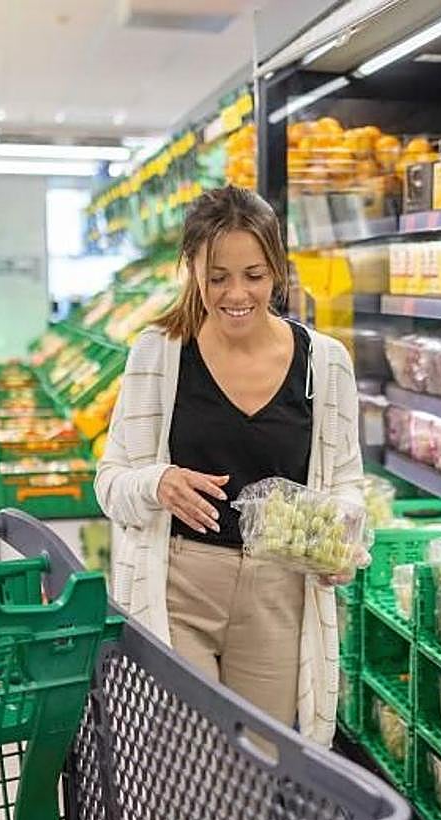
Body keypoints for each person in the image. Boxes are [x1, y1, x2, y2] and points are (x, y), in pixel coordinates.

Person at [95, 185, 364, 746]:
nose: (236, 293)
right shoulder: (159, 352)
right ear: (191, 267)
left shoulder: (325, 363)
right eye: (217, 277)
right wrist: (157, 482)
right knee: (185, 768)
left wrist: (342, 545)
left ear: (278, 271)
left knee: (257, 765)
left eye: (254, 275)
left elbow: (346, 487)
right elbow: (111, 482)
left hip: (276, 597)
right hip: (178, 590)